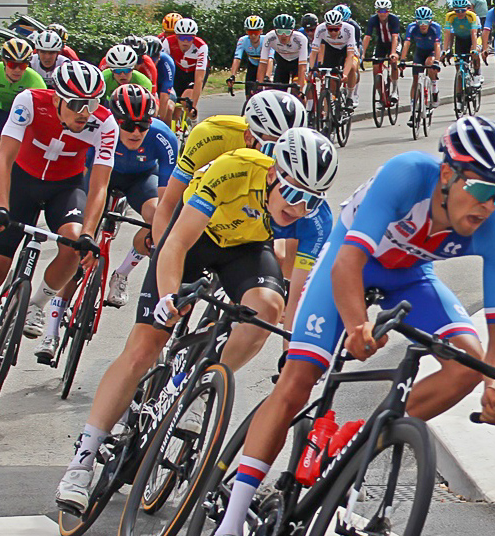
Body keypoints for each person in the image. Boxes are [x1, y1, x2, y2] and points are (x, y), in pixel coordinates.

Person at [199, 116, 495, 536]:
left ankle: (362, 434)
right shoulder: (408, 174)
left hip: (410, 276)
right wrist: (355, 326)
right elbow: (349, 260)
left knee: (468, 359)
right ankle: (229, 528)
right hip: (349, 262)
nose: (490, 205)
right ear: (448, 175)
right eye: (482, 189)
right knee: (298, 380)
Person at [55, 127, 338, 513]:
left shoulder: (315, 221)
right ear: (273, 173)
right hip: (196, 240)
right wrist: (168, 299)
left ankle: (204, 379)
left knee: (269, 307)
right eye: (291, 194)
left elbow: (299, 293)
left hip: (246, 250)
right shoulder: (234, 169)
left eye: (310, 201)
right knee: (143, 349)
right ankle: (83, 459)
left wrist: (293, 352)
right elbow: (177, 243)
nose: (297, 209)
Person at [0, 61, 114, 393]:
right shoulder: (30, 102)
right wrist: (0, 207)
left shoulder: (104, 123)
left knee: (74, 242)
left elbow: (99, 186)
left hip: (65, 188)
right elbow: (3, 158)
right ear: (57, 99)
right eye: (77, 104)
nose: (85, 113)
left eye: (92, 104)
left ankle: (36, 304)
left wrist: (90, 232)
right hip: (20, 183)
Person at [152, 89, 307, 253]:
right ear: (248, 136)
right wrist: (160, 256)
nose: (278, 159)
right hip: (201, 215)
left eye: (289, 153)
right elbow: (168, 204)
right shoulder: (211, 136)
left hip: (248, 227)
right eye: (273, 148)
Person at [102, 85, 178, 309]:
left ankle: (121, 274)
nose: (136, 132)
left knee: (157, 217)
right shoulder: (101, 128)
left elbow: (166, 198)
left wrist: (158, 228)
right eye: (128, 125)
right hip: (105, 173)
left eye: (143, 125)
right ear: (116, 121)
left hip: (141, 179)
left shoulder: (163, 136)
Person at [0, 38, 48, 212]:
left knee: (12, 165)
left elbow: (45, 117)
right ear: (4, 62)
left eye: (23, 65)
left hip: (21, 118)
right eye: (12, 64)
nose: (18, 70)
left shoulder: (35, 80)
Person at [308, 9, 359, 110]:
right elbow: (314, 52)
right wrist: (311, 69)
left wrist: (345, 73)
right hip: (331, 50)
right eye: (330, 29)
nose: (333, 32)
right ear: (326, 26)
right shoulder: (320, 29)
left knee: (352, 68)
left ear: (341, 26)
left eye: (336, 29)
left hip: (347, 50)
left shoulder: (349, 29)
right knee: (330, 81)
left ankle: (350, 97)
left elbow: (350, 55)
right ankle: (329, 112)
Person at [400, 6, 443, 122]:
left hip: (432, 51)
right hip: (419, 52)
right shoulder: (412, 27)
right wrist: (402, 60)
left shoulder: (435, 28)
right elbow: (406, 44)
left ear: (430, 21)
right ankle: (414, 111)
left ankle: (434, 88)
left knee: (429, 62)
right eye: (420, 22)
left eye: (426, 22)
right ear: (416, 21)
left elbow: (437, 46)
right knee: (415, 80)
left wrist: (437, 62)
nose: (423, 25)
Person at [164, 17, 209, 122]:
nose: (185, 41)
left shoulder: (201, 46)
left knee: (187, 101)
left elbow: (199, 78)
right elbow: (164, 69)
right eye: (181, 38)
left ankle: (194, 124)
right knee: (173, 106)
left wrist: (193, 105)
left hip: (194, 73)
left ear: (194, 38)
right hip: (179, 71)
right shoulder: (168, 43)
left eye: (189, 38)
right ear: (176, 37)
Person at [259, 14, 309, 95]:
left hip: (297, 63)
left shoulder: (301, 39)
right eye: (280, 31)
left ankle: (302, 106)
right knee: (278, 93)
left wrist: (300, 87)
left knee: (296, 90)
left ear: (292, 31)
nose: (283, 35)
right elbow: (263, 62)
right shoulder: (269, 37)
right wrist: (259, 84)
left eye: (287, 32)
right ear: (275, 31)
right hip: (282, 62)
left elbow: (302, 66)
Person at [365, 0, 402, 103]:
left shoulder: (394, 19)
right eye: (380, 11)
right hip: (381, 44)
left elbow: (395, 37)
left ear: (388, 11)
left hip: (394, 43)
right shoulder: (373, 19)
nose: (382, 14)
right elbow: (367, 37)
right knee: (376, 67)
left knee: (393, 62)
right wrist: (362, 54)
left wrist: (393, 52)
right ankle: (381, 95)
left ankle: (394, 90)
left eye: (385, 11)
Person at [443, 0, 484, 87]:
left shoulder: (472, 16)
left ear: (467, 9)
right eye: (457, 11)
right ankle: (459, 95)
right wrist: (445, 50)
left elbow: (474, 33)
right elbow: (447, 34)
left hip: (472, 38)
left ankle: (477, 74)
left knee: (475, 52)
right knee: (458, 67)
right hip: (460, 39)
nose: (460, 13)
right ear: (454, 10)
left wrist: (474, 48)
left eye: (463, 10)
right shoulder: (450, 16)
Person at [228, 16, 266, 98]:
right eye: (250, 32)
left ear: (261, 31)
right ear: (246, 31)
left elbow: (270, 59)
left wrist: (267, 77)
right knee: (249, 95)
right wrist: (232, 76)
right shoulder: (243, 40)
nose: (253, 35)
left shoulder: (266, 40)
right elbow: (237, 58)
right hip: (252, 65)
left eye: (256, 32)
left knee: (263, 92)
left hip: (265, 66)